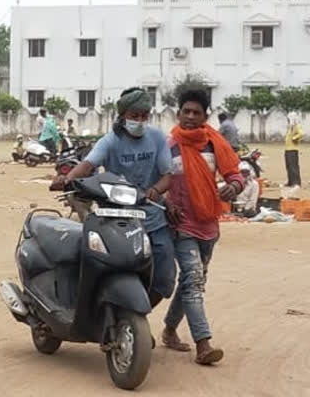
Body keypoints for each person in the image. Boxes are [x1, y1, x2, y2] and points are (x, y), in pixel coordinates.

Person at [51, 87, 176, 310]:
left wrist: (155, 190)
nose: (139, 120)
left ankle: (136, 317)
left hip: (153, 218)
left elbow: (168, 176)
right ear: (122, 116)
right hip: (117, 218)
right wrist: (66, 179)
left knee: (165, 279)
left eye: (143, 116)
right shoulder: (110, 141)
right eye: (134, 116)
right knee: (102, 266)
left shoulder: (157, 138)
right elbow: (88, 164)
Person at [161, 88, 243, 365]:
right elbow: (158, 182)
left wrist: (233, 186)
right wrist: (165, 203)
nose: (191, 117)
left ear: (205, 116)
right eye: (186, 111)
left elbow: (235, 173)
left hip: (209, 225)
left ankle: (170, 331)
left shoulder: (214, 144)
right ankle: (203, 345)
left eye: (197, 112)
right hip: (181, 225)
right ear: (178, 113)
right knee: (194, 280)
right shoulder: (168, 146)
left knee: (191, 282)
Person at [285, 112, 303, 187]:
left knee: (293, 166)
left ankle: (296, 182)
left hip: (293, 149)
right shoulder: (290, 127)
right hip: (287, 149)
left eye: (289, 118)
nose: (288, 120)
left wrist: (294, 138)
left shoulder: (296, 126)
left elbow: (301, 134)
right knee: (288, 166)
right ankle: (290, 181)